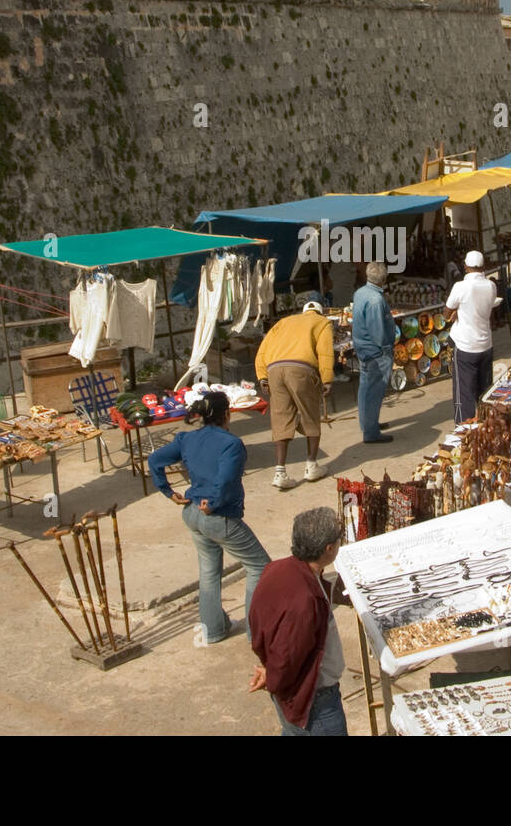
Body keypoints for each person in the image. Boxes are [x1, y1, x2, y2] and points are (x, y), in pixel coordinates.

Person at [147, 391, 270, 644]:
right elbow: (225, 481)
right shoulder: (231, 444)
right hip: (217, 516)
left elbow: (155, 460)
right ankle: (255, 633)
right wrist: (213, 504)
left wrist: (168, 492)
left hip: (191, 513)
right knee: (259, 566)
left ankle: (213, 631)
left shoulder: (186, 438)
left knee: (209, 571)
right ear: (226, 414)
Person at [248, 507, 348, 736]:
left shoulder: (277, 568)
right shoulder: (304, 602)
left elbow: (257, 621)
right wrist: (273, 676)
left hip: (297, 694)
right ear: (329, 549)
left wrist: (267, 666)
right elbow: (287, 655)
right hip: (315, 701)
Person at [255, 301, 334, 490]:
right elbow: (325, 353)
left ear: (304, 311)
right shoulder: (322, 323)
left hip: (274, 370)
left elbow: (262, 351)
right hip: (301, 370)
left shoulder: (283, 322)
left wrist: (263, 377)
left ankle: (280, 472)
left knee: (281, 419)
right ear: (319, 312)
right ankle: (311, 466)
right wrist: (327, 379)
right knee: (310, 415)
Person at [445, 249, 499, 422]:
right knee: (484, 391)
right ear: (483, 267)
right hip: (485, 345)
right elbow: (483, 309)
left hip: (466, 347)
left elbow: (447, 312)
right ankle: (486, 426)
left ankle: (464, 431)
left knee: (464, 395)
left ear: (466, 267)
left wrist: (455, 313)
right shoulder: (491, 286)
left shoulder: (460, 287)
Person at [352, 261, 395, 444]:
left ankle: (368, 423)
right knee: (374, 391)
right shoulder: (376, 300)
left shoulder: (361, 292)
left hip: (363, 348)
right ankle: (371, 432)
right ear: (383, 279)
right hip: (375, 351)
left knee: (365, 388)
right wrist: (386, 349)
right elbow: (378, 332)